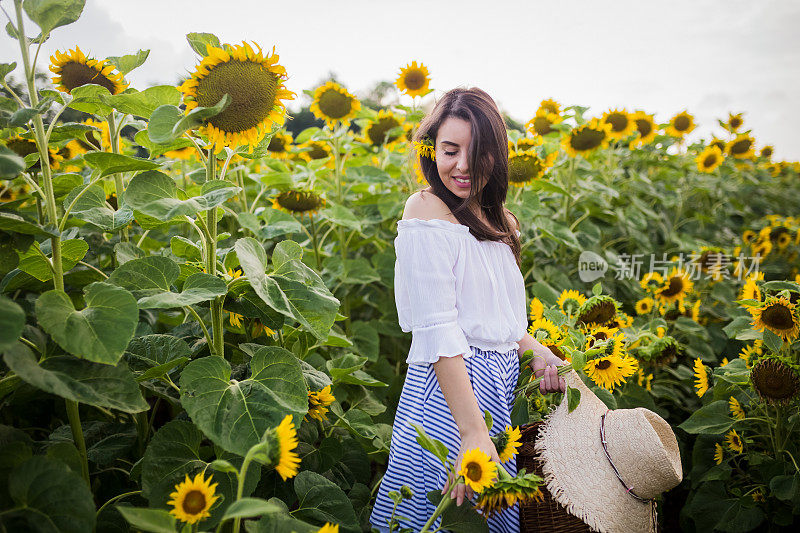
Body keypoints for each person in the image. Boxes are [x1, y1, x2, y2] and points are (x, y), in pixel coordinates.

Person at [369, 87, 567, 533]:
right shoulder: (427, 209)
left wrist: (536, 350)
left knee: (484, 517)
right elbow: (438, 329)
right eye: (449, 150)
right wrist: (471, 431)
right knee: (443, 516)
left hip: (495, 396)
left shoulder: (502, 222)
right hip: (450, 395)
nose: (461, 166)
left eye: (476, 153)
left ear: (496, 156)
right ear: (432, 150)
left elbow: (499, 320)